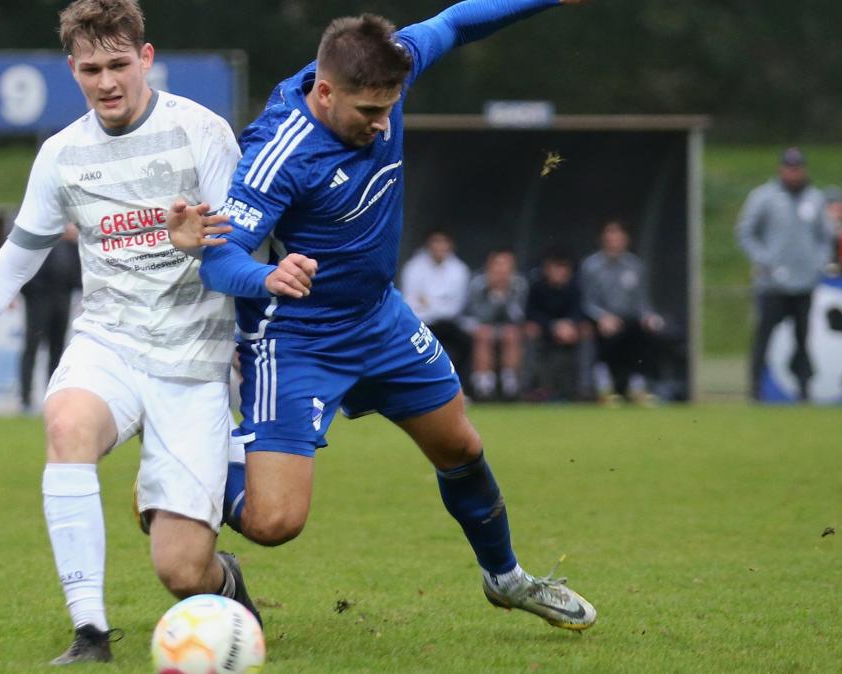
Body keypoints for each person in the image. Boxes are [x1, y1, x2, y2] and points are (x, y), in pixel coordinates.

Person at [189, 0, 597, 632]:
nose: (383, 126)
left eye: (391, 108)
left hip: (378, 318)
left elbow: (458, 21)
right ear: (325, 92)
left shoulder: (390, 63)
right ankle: (180, 474)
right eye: (370, 113)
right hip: (298, 337)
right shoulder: (279, 150)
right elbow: (217, 263)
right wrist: (267, 274)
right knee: (276, 522)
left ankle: (506, 578)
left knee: (460, 444)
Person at [0, 0, 258, 664]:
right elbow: (11, 264)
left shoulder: (204, 133)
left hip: (193, 364)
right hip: (109, 343)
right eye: (89, 69)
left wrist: (202, 249)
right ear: (71, 69)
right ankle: (90, 633)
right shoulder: (62, 155)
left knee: (180, 572)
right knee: (66, 422)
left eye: (117, 65)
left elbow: (242, 254)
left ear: (146, 59)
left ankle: (225, 582)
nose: (105, 82)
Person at [736, 147, 834, 401]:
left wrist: (818, 263)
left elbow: (826, 236)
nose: (793, 172)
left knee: (803, 339)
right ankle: (755, 389)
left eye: (798, 167)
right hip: (771, 284)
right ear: (781, 169)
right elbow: (745, 232)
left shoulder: (815, 198)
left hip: (804, 282)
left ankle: (804, 390)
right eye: (789, 167)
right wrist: (763, 259)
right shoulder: (764, 197)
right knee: (763, 337)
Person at [580, 220, 665, 406]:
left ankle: (637, 387)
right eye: (610, 236)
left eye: (618, 236)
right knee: (607, 337)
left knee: (646, 334)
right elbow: (586, 301)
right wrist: (602, 317)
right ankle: (604, 389)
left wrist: (649, 317)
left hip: (629, 321)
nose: (615, 240)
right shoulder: (591, 266)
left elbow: (642, 301)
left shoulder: (634, 265)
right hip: (600, 320)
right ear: (603, 239)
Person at [19, 222, 82, 412]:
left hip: (62, 298)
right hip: (39, 300)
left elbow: (77, 274)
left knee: (58, 349)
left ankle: (53, 396)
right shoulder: (37, 241)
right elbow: (24, 271)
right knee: (32, 348)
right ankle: (26, 400)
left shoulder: (70, 246)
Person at [399, 229, 472, 391]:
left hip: (449, 325)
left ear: (450, 245)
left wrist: (428, 301)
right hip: (420, 324)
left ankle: (460, 390)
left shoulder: (460, 270)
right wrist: (440, 302)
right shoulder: (413, 267)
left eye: (443, 241)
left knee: (467, 343)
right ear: (428, 244)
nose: (439, 246)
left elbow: (454, 308)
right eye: (435, 241)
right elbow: (409, 303)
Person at [463, 249, 528, 400]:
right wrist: (494, 295)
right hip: (475, 326)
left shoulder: (519, 284)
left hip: (508, 328)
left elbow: (518, 316)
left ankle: (510, 387)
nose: (501, 271)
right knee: (484, 334)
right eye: (497, 266)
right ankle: (484, 388)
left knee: (511, 333)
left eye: (506, 267)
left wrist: (504, 295)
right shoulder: (477, 284)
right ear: (489, 267)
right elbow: (478, 315)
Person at [524, 249, 586, 401]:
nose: (559, 272)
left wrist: (570, 325)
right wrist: (553, 326)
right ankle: (531, 389)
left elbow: (578, 311)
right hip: (544, 331)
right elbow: (532, 313)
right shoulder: (537, 287)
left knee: (587, 332)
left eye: (562, 267)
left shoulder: (575, 288)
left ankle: (584, 388)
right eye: (555, 267)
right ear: (546, 269)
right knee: (530, 331)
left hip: (569, 333)